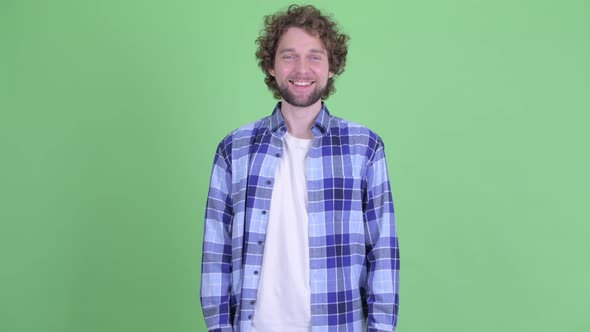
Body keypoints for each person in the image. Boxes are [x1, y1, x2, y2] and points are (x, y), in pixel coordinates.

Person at [200, 4, 399, 332]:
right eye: (289, 56)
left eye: (315, 56)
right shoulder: (234, 149)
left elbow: (383, 252)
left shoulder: (365, 148)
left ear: (331, 66)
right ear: (271, 66)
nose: (302, 69)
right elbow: (215, 255)